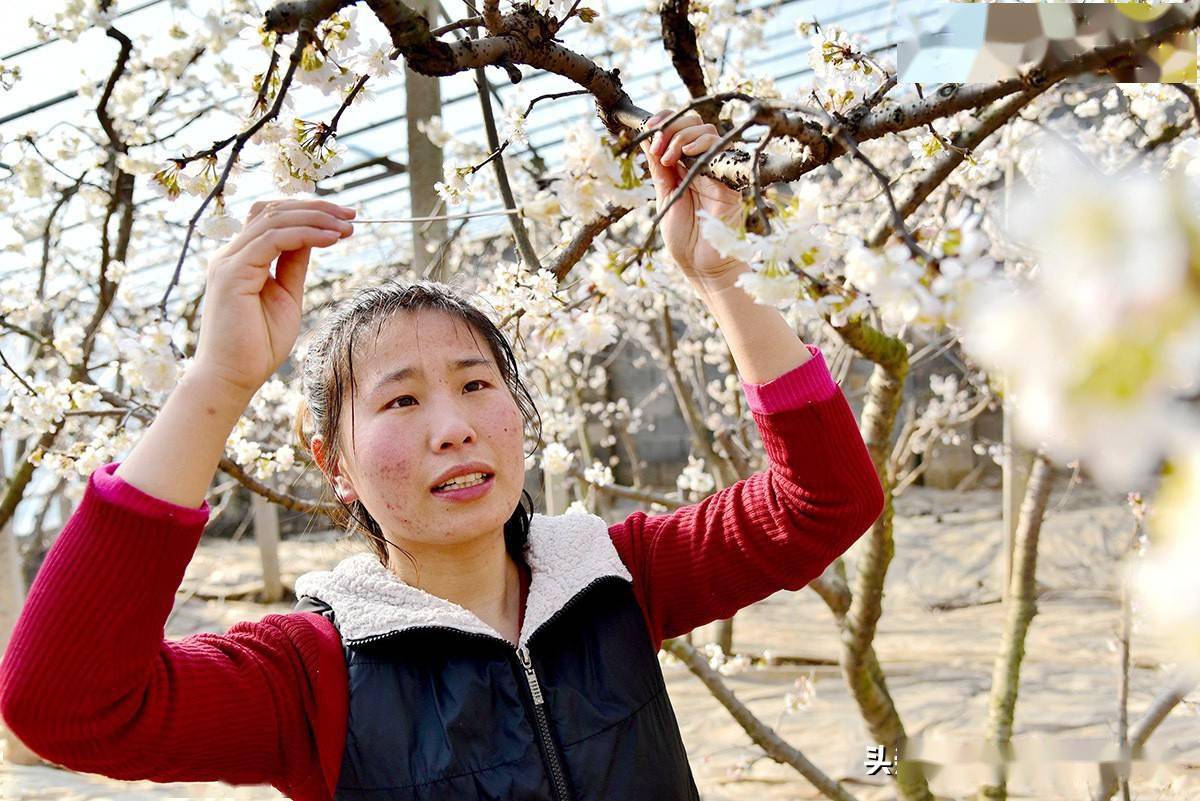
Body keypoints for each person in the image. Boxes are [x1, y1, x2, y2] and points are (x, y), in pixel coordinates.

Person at [0, 110, 884, 801]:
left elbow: (826, 500)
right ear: (333, 463)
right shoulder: (308, 674)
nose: (453, 426)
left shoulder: (618, 577)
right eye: (400, 400)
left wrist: (725, 278)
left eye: (474, 383)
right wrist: (217, 381)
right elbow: (63, 705)